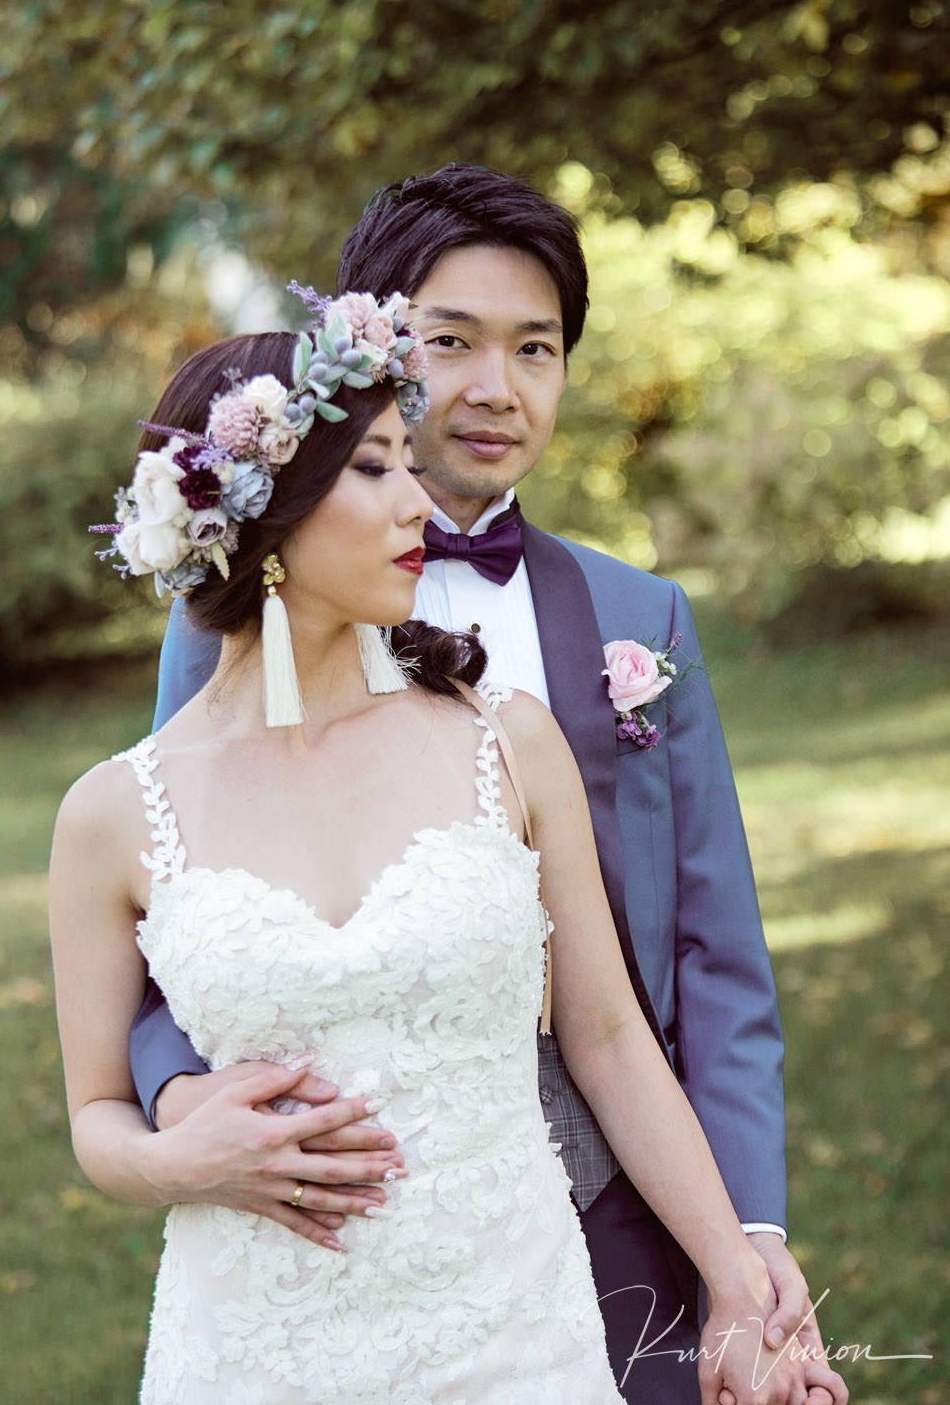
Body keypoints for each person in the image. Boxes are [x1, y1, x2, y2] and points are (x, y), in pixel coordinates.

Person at [130, 168, 846, 1404]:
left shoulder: (638, 617)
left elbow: (714, 953)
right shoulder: (234, 630)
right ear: (363, 352)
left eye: (535, 349)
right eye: (447, 341)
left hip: (633, 1192)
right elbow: (168, 908)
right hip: (338, 1205)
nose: (492, 389)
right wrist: (190, 1099)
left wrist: (747, 1236)